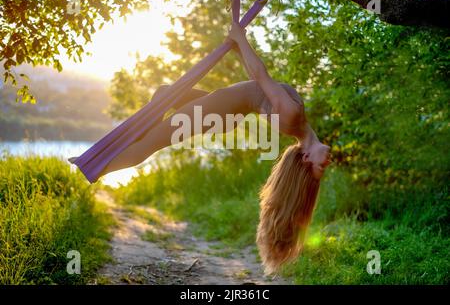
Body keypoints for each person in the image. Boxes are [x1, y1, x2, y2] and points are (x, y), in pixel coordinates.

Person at [69, 22, 331, 274]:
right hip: (226, 113)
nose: (327, 161)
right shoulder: (294, 121)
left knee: (148, 144)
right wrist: (239, 46)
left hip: (219, 111)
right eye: (326, 166)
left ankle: (93, 166)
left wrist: (241, 38)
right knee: (163, 94)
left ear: (306, 157)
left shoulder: (293, 116)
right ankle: (122, 144)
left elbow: (261, 76)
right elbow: (258, 80)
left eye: (321, 166)